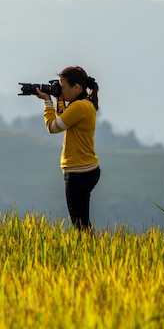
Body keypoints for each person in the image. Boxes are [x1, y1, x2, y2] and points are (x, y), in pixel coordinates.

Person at [35, 66, 100, 231]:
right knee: (81, 221)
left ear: (76, 87)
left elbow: (53, 127)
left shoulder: (78, 107)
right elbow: (64, 119)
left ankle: (88, 252)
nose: (59, 90)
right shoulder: (83, 105)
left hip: (79, 171)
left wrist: (48, 102)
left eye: (62, 86)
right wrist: (56, 100)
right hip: (85, 168)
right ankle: (90, 251)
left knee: (80, 224)